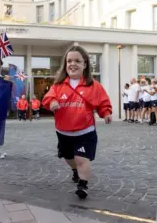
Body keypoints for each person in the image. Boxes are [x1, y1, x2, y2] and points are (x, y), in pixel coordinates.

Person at [43, 45, 112, 199]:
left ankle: (83, 184)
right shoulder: (58, 85)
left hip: (85, 131)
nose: (72, 64)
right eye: (69, 61)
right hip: (63, 131)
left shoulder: (93, 85)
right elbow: (47, 98)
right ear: (65, 64)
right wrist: (52, 102)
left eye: (77, 61)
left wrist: (106, 113)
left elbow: (103, 102)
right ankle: (75, 171)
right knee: (68, 157)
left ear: (85, 64)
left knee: (81, 158)